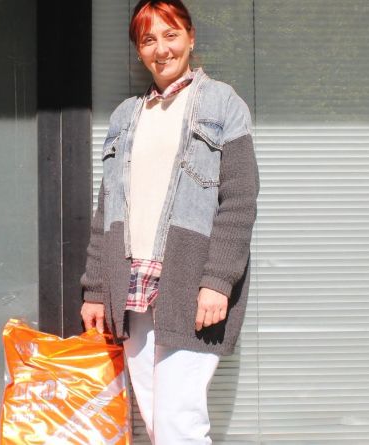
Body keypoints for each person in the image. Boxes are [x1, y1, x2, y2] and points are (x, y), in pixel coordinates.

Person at [79, 0, 258, 442]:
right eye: (148, 40)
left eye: (171, 35)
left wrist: (217, 281)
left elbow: (239, 200)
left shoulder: (222, 103)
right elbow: (107, 209)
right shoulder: (125, 117)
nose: (161, 49)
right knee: (159, 422)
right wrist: (96, 289)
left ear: (191, 38)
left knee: (179, 422)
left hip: (191, 284)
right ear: (139, 51)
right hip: (131, 285)